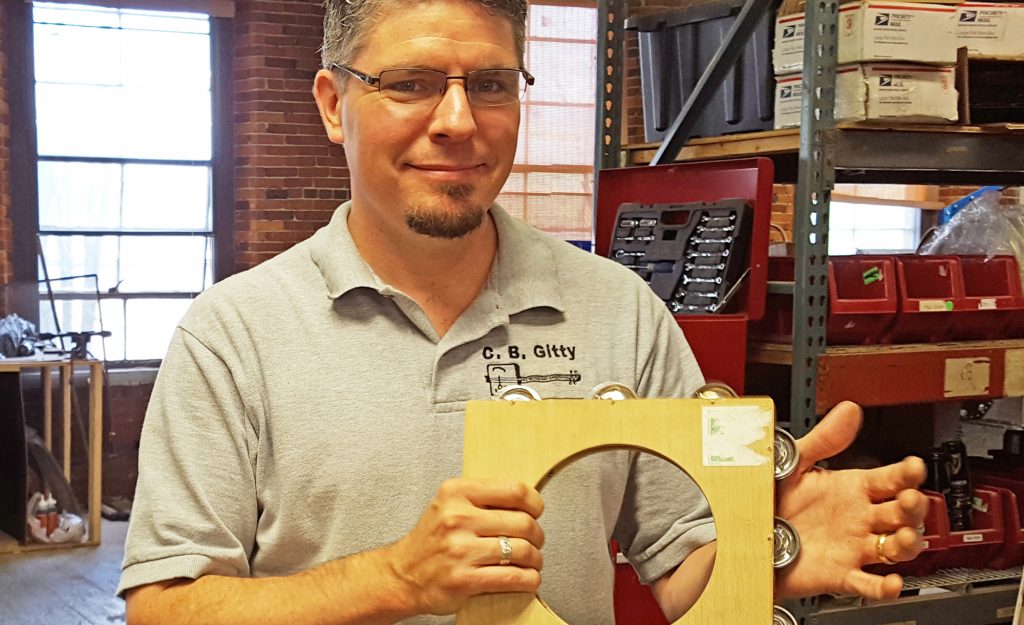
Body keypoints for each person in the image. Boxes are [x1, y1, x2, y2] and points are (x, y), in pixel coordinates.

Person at [119, 1, 928, 623]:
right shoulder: (233, 335)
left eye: (493, 84)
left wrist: (771, 551)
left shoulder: (620, 310)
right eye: (411, 83)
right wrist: (396, 577)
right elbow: (165, 605)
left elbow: (683, 563)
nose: (459, 121)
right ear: (334, 104)